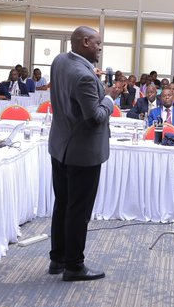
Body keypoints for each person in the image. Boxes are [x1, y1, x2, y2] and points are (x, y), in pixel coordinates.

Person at [48, 26, 124, 282]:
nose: (101, 48)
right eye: (98, 43)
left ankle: (57, 259)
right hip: (83, 153)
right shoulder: (84, 76)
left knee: (63, 205)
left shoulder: (60, 61)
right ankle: (74, 266)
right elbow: (96, 118)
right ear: (84, 42)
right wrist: (110, 98)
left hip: (60, 146)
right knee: (78, 211)